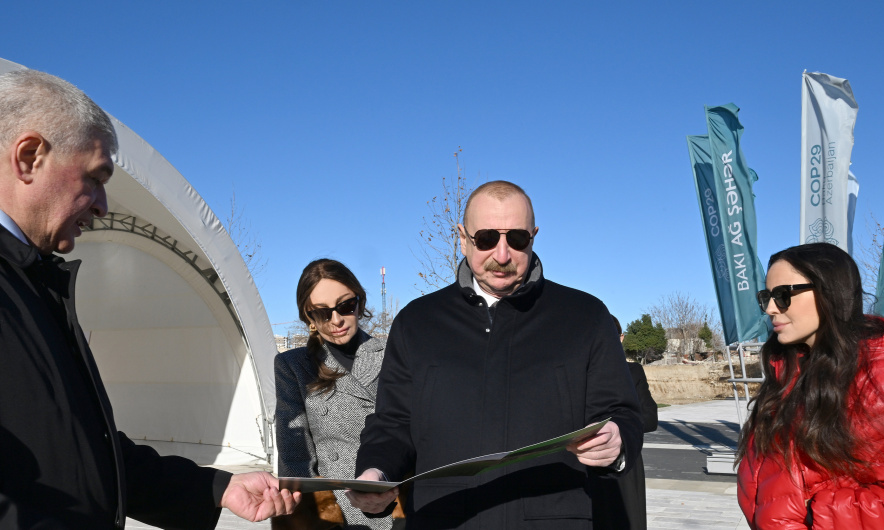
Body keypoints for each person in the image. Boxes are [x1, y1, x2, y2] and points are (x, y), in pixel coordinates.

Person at [0, 68, 299, 529]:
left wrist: (216, 487)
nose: (103, 205)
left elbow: (84, 452)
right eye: (95, 177)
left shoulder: (36, 282)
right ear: (29, 157)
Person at [347, 181, 643, 528]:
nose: (502, 256)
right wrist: (375, 471)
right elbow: (393, 423)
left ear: (533, 237)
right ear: (463, 237)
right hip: (443, 520)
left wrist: (617, 441)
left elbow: (622, 412)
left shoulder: (585, 317)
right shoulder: (416, 322)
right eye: (486, 239)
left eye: (517, 239)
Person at [736, 243, 884, 529]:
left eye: (783, 295)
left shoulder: (875, 380)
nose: (771, 309)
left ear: (829, 292)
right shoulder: (790, 372)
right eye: (767, 297)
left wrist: (811, 515)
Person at [274, 259, 398, 529]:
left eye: (345, 306)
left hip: (392, 500)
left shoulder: (393, 354)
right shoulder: (294, 365)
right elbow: (294, 455)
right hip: (335, 512)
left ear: (359, 302)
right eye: (322, 312)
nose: (336, 320)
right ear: (308, 317)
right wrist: (305, 515)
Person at [591, 315, 658, 530]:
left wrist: (617, 430)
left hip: (623, 462)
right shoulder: (579, 373)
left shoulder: (633, 372)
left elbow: (650, 418)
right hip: (586, 463)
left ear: (621, 338)